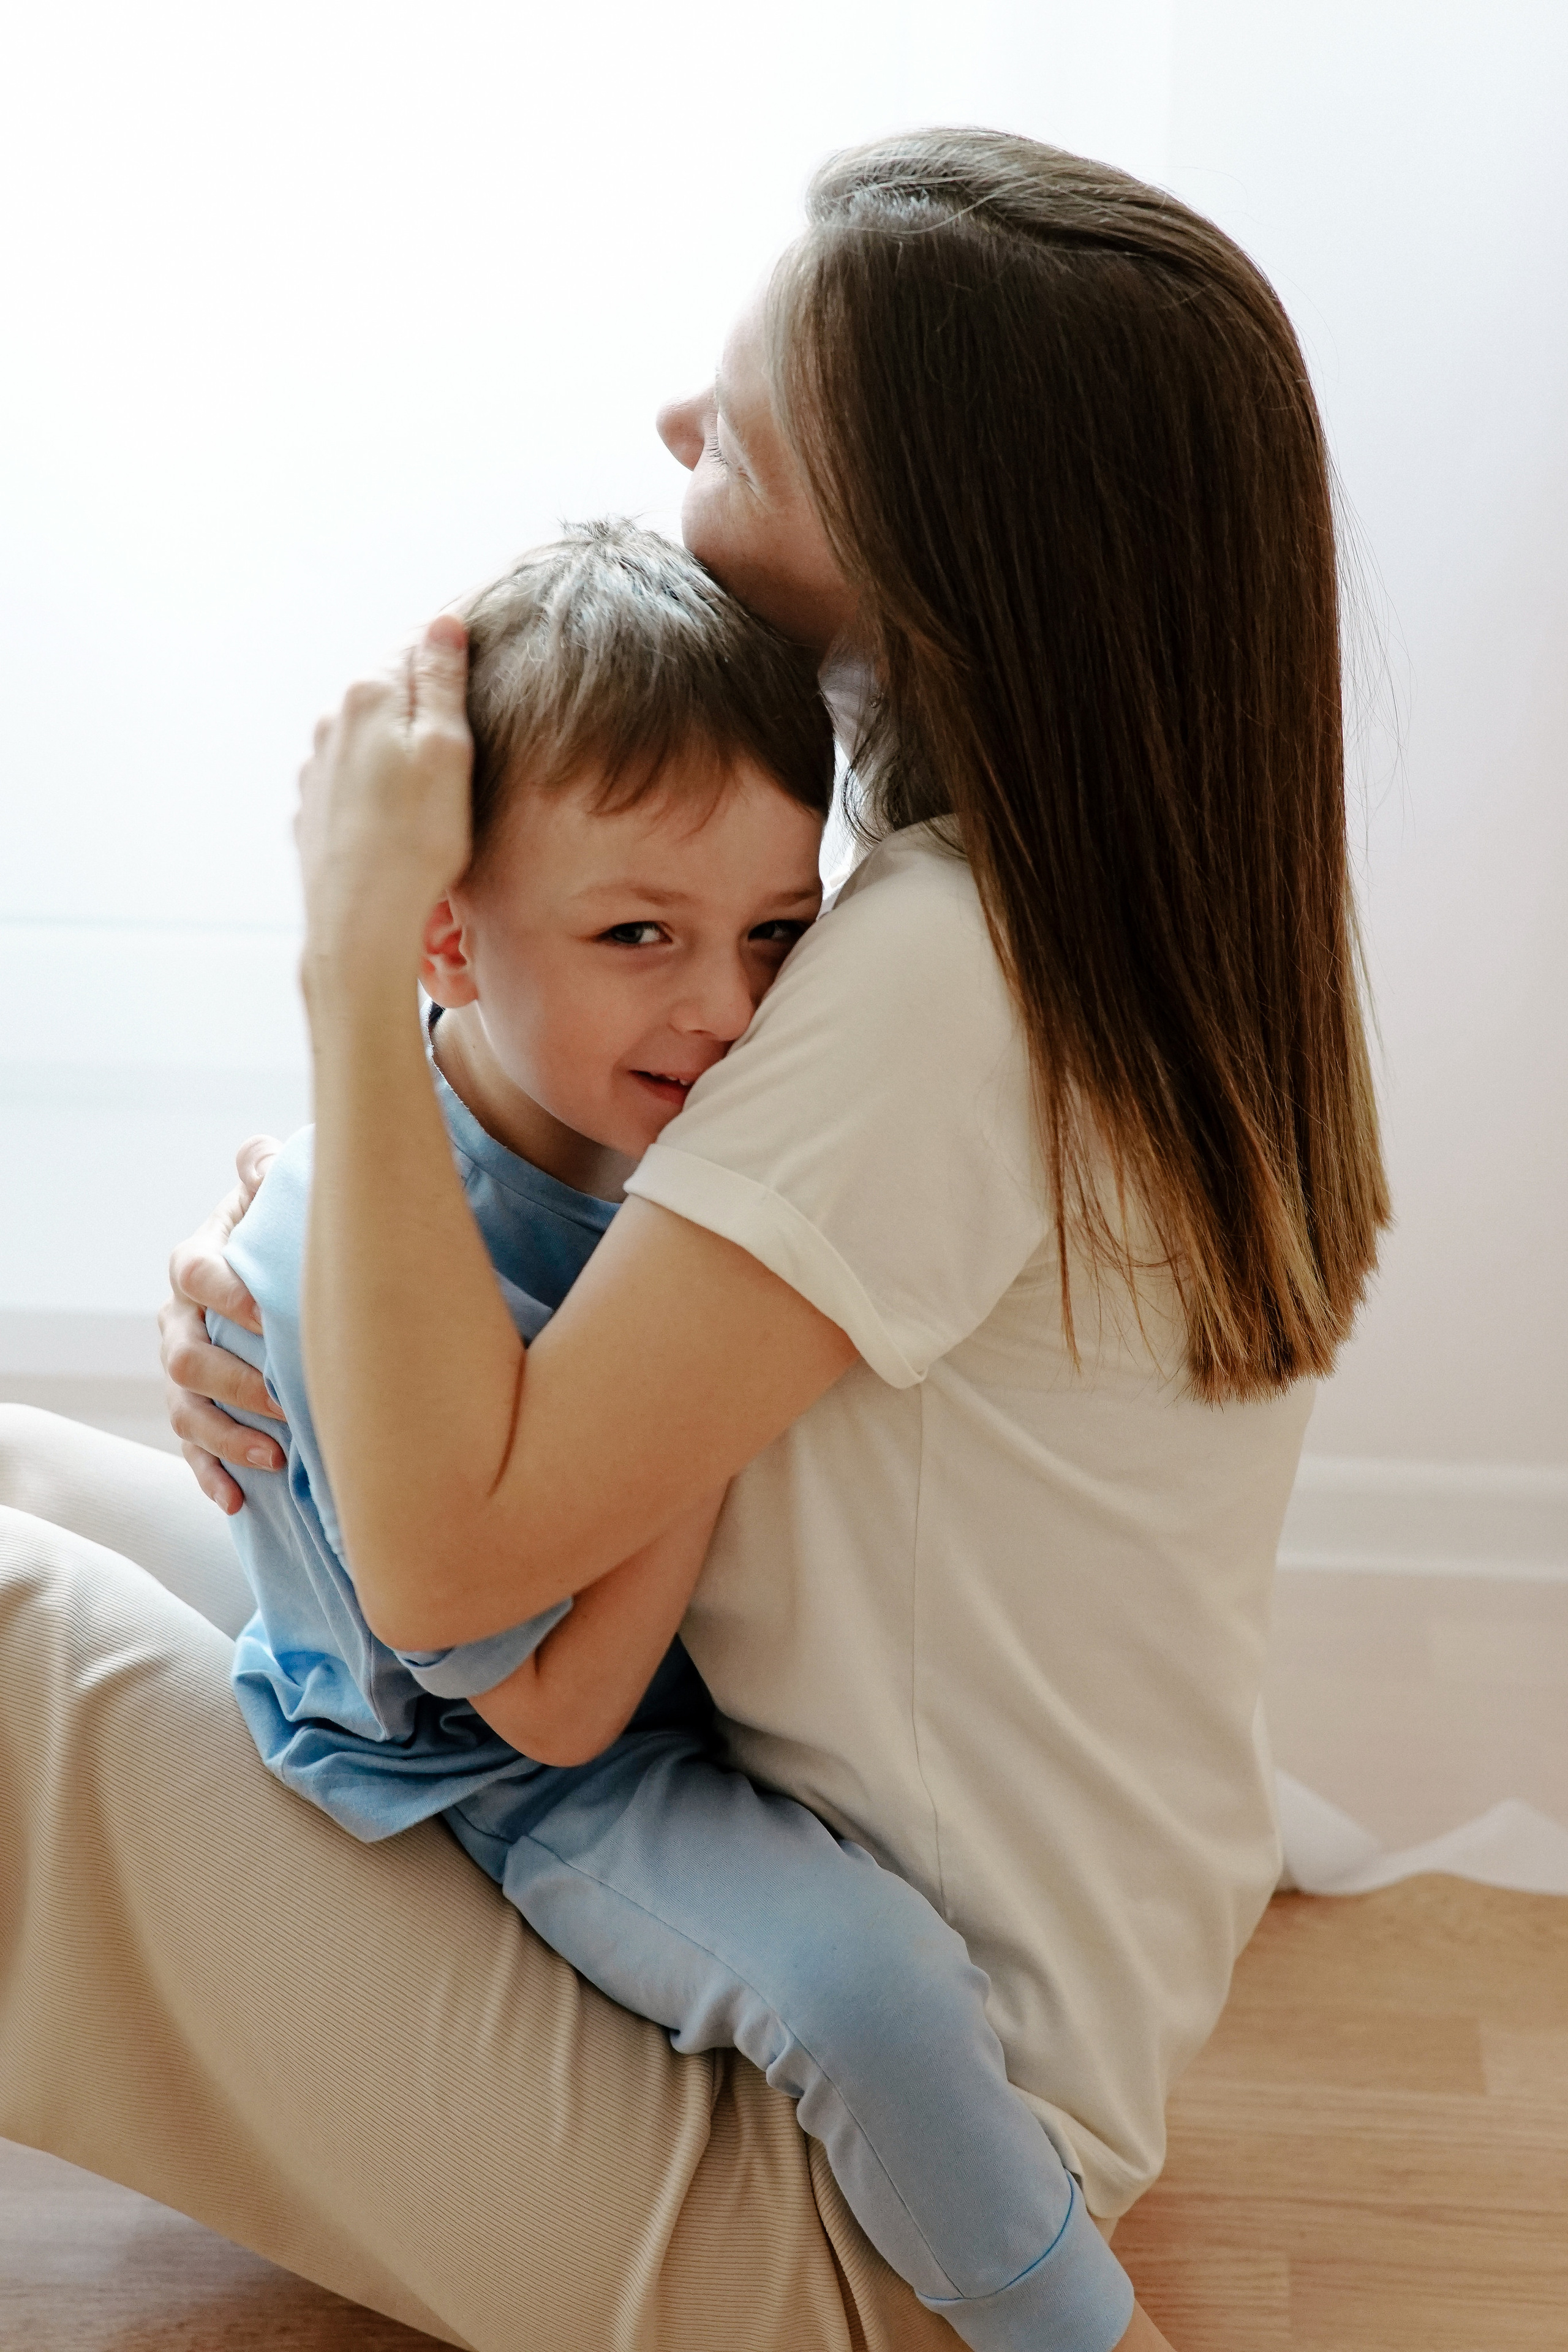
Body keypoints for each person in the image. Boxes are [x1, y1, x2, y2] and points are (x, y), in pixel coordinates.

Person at [0, 128, 1389, 2352]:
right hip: (784, 1907)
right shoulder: (1104, 915)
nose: (671, 436)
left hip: (859, 2169)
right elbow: (557, 1242)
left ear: (939, 534)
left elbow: (462, 1582)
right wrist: (273, 1253)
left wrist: (354, 961)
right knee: (21, 1474)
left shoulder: (935, 977)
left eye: (739, 424)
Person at [217, 516, 1133, 2350]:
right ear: (445, 939)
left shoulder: (669, 1118)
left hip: (657, 1710)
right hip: (506, 1775)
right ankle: (1085, 2332)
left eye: (775, 933)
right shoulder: (363, 1223)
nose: (723, 1008)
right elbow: (542, 1702)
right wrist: (709, 1392)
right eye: (640, 934)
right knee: (873, 1991)